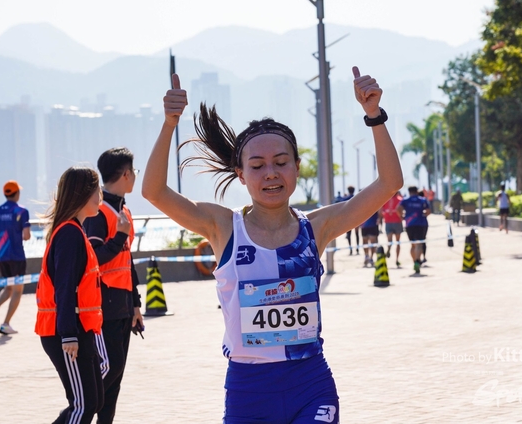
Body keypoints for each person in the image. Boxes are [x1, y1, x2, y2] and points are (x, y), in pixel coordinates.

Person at [142, 67, 403, 423]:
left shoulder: (318, 227)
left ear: (297, 167)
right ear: (240, 174)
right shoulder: (222, 227)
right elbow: (154, 191)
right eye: (257, 166)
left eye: (281, 163)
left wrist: (374, 114)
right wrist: (170, 124)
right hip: (249, 391)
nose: (270, 173)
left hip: (310, 383)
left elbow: (389, 183)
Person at [35, 167, 106, 424]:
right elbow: (64, 287)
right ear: (83, 193)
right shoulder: (69, 233)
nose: (100, 197)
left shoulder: (75, 231)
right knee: (82, 406)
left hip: (79, 328)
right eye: (97, 190)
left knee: (94, 401)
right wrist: (68, 334)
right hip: (65, 331)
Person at [83, 147, 144, 423]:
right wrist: (119, 237)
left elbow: (126, 261)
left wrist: (135, 305)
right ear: (126, 174)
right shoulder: (98, 212)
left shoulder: (124, 211)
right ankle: (78, 410)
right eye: (135, 172)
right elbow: (92, 259)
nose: (135, 177)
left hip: (123, 303)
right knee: (111, 366)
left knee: (116, 380)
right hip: (103, 302)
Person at [0, 180, 31, 335]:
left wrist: (1, 238)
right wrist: (16, 237)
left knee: (8, 287)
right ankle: (5, 324)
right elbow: (27, 235)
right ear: (17, 193)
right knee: (17, 290)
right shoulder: (21, 211)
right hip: (16, 256)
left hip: (1, 256)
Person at [397, 186, 430, 274]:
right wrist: (424, 215)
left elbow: (398, 208)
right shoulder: (422, 200)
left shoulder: (405, 200)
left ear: (409, 192)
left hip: (409, 224)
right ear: (416, 191)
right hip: (421, 224)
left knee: (413, 245)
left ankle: (414, 261)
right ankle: (417, 261)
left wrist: (402, 217)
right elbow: (428, 211)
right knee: (419, 244)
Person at [382, 191, 403, 267]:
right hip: (397, 221)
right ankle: (397, 260)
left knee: (389, 240)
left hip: (388, 221)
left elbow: (381, 210)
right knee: (398, 242)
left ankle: (388, 249)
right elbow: (400, 209)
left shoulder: (385, 199)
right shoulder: (400, 199)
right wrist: (401, 217)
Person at [338, 186, 361, 255]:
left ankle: (350, 249)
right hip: (356, 218)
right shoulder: (357, 198)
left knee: (349, 235)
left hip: (348, 219)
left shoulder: (345, 199)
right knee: (357, 234)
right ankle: (357, 248)